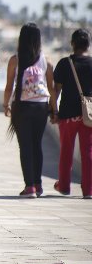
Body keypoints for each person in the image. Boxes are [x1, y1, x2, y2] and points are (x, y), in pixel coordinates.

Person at [3, 23, 57, 198]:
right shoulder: (46, 61)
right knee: (37, 146)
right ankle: (39, 185)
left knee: (25, 147)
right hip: (41, 107)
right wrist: (54, 110)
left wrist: (6, 105)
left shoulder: (15, 59)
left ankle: (30, 187)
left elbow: (9, 86)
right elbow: (52, 88)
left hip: (22, 107)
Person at [53, 28, 92, 199]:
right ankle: (88, 190)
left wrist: (53, 111)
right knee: (88, 152)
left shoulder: (64, 63)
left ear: (72, 43)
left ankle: (63, 186)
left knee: (66, 151)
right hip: (88, 116)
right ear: (88, 45)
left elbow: (56, 90)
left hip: (68, 114)